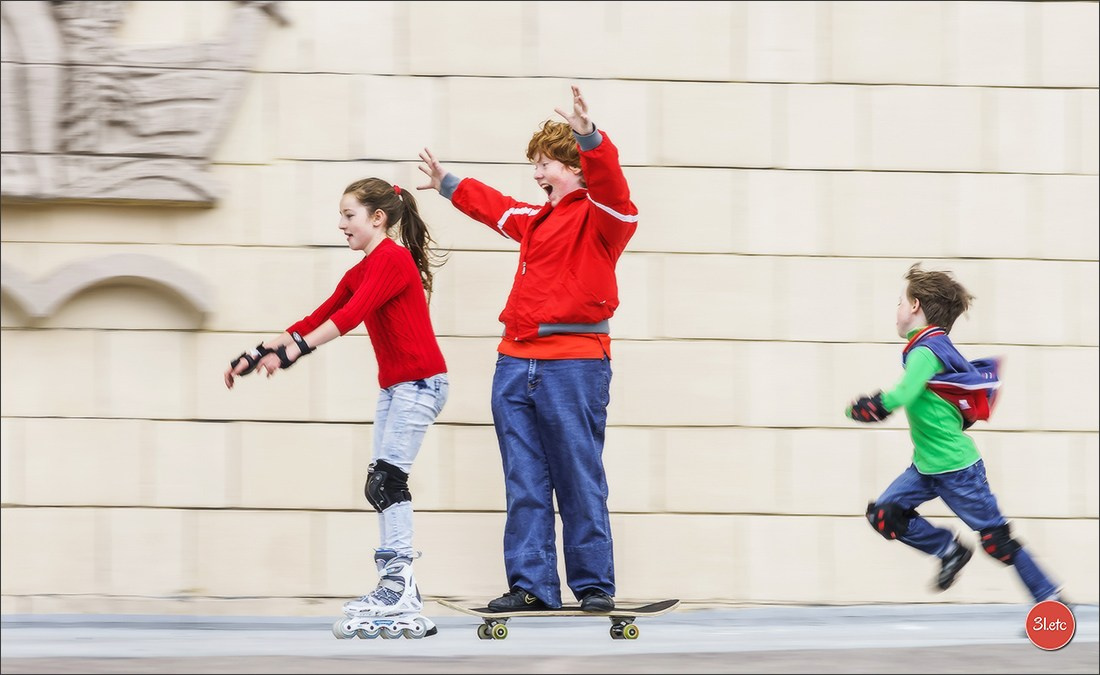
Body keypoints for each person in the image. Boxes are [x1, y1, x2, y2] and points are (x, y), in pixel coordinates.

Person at [416, 85, 637, 613]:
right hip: (515, 364)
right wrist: (448, 183)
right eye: (535, 164)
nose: (537, 173)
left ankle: (594, 587)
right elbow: (494, 208)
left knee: (578, 475)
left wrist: (588, 136)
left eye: (546, 164)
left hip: (574, 365)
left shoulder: (605, 218)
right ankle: (533, 586)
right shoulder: (533, 221)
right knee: (525, 479)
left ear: (576, 168)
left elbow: (610, 182)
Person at [223, 177, 449, 636]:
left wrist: (294, 352)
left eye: (349, 215)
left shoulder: (391, 259)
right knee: (379, 484)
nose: (341, 224)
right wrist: (259, 350)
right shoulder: (364, 267)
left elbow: (350, 317)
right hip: (398, 387)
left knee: (388, 481)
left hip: (420, 384)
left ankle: (398, 584)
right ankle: (398, 585)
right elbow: (320, 315)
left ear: (377, 218)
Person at [849, 263, 1064, 605]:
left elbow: (903, 393)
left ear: (916, 306)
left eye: (900, 302)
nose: (898, 310)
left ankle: (1049, 599)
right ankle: (949, 551)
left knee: (996, 540)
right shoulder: (935, 346)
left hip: (957, 470)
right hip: (926, 467)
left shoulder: (925, 350)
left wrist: (872, 405)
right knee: (886, 514)